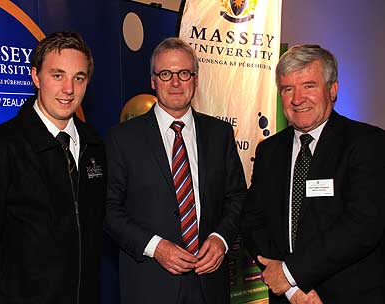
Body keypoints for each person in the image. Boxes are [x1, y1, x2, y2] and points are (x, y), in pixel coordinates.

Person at [0, 31, 105, 304]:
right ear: (36, 77)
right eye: (57, 75)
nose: (68, 89)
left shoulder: (94, 145)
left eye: (78, 78)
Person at [104, 37, 247, 304]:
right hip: (150, 284)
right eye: (166, 74)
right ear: (153, 81)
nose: (175, 82)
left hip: (209, 284)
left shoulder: (220, 134)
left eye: (183, 73)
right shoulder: (122, 138)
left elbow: (237, 197)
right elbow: (109, 210)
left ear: (195, 78)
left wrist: (221, 239)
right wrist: (155, 247)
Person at [243, 44, 385, 303]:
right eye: (287, 89)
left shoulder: (367, 143)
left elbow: (363, 225)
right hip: (287, 296)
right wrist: (291, 289)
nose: (297, 99)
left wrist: (291, 272)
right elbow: (252, 221)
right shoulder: (269, 150)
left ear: (332, 90)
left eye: (308, 85)